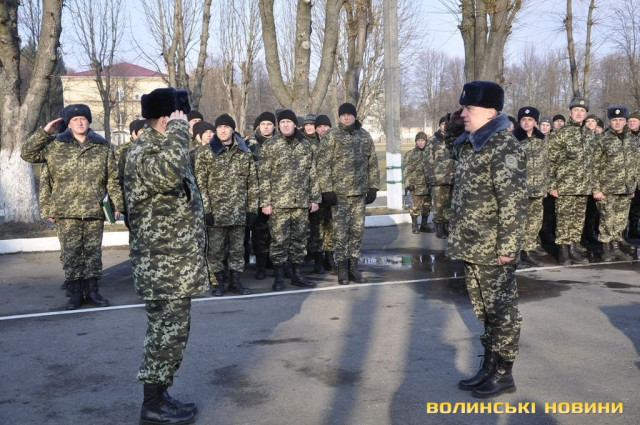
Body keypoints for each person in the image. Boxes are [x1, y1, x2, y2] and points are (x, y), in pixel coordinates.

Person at [124, 87, 207, 425]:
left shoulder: (163, 147)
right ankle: (152, 405)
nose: (186, 124)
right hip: (162, 264)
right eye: (180, 118)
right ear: (164, 119)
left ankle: (161, 396)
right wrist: (177, 131)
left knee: (172, 334)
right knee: (165, 335)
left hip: (175, 262)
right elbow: (168, 175)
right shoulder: (145, 150)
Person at [446, 81, 527, 398]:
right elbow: (453, 150)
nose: (464, 113)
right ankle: (490, 367)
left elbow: (513, 203)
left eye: (469, 109)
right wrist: (456, 126)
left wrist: (508, 248)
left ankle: (504, 373)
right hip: (472, 244)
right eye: (463, 108)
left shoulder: (504, 147)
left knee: (503, 313)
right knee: (485, 312)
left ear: (491, 112)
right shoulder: (472, 142)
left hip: (493, 248)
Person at [22, 104, 123, 310]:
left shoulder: (102, 146)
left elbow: (112, 179)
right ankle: (75, 292)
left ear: (89, 121)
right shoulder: (55, 145)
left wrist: (117, 204)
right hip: (65, 210)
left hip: (94, 209)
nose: (79, 122)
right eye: (75, 119)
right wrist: (44, 132)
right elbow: (27, 154)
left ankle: (92, 290)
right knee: (71, 253)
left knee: (93, 252)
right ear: (68, 124)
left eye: (83, 118)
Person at [194, 113, 258, 295]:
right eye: (219, 127)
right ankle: (218, 283)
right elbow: (200, 184)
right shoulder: (205, 153)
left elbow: (252, 183)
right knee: (215, 251)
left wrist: (252, 210)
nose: (223, 130)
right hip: (216, 213)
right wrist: (206, 210)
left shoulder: (244, 153)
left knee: (238, 250)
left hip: (238, 211)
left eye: (226, 127)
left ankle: (235, 281)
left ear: (232, 129)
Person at [318, 102, 380, 285]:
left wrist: (373, 187)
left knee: (357, 232)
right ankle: (342, 269)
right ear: (339, 117)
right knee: (340, 233)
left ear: (354, 116)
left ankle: (353, 267)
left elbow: (372, 163)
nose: (346, 117)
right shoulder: (332, 135)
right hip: (339, 195)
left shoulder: (364, 136)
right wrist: (327, 189)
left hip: (359, 194)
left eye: (349, 114)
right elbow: (323, 164)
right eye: (343, 115)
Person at [259, 109, 321, 291]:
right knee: (279, 240)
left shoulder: (305, 146)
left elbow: (312, 173)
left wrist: (314, 198)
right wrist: (266, 202)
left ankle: (297, 274)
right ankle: (279, 276)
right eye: (282, 122)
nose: (286, 125)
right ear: (278, 125)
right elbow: (264, 176)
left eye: (289, 122)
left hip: (301, 202)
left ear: (295, 124)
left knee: (299, 240)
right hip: (279, 203)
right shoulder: (270, 146)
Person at [547, 97, 596, 265]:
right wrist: (552, 185)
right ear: (570, 113)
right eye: (576, 110)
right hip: (565, 185)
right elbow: (550, 160)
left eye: (582, 111)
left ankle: (573, 249)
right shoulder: (561, 133)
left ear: (586, 114)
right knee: (563, 219)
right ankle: (563, 251)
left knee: (578, 219)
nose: (579, 113)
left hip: (583, 186)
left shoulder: (589, 135)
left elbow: (593, 162)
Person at [592, 106, 636, 262]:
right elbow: (594, 166)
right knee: (607, 219)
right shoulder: (602, 139)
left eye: (621, 120)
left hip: (625, 188)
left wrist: (633, 186)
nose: (617, 123)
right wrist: (596, 189)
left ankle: (616, 248)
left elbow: (634, 164)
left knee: (620, 220)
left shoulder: (631, 139)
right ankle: (606, 249)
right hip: (607, 188)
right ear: (609, 121)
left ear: (625, 121)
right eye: (614, 120)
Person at [513, 106, 547, 267]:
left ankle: (527, 251)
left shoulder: (542, 140)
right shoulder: (513, 140)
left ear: (535, 122)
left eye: (530, 120)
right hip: (520, 190)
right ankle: (516, 254)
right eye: (523, 120)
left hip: (538, 189)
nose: (526, 122)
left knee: (534, 223)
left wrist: (545, 186)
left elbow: (546, 164)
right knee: (519, 223)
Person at [246, 111, 277, 280]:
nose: (266, 127)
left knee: (277, 231)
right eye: (263, 124)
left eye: (269, 124)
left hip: (278, 194)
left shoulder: (280, 142)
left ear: (274, 126)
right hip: (257, 195)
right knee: (259, 233)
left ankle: (275, 263)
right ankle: (261, 265)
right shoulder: (249, 144)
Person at [315, 114, 338, 272]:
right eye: (320, 126)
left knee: (331, 227)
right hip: (316, 193)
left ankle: (329, 258)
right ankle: (317, 259)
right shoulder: (310, 145)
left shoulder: (336, 144)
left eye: (325, 126)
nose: (323, 129)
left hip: (332, 192)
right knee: (317, 228)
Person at [426, 117, 454, 239]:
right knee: (438, 204)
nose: (445, 126)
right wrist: (430, 178)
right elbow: (427, 160)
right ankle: (438, 226)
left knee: (448, 204)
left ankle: (446, 225)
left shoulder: (452, 139)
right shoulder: (433, 140)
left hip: (451, 177)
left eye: (447, 124)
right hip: (437, 179)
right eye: (442, 124)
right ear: (439, 125)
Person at [403, 131, 433, 234]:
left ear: (426, 141)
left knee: (427, 206)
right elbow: (406, 170)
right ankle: (414, 225)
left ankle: (424, 225)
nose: (420, 142)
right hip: (416, 185)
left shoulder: (430, 154)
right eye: (418, 140)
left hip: (428, 185)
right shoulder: (410, 154)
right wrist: (408, 184)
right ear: (416, 142)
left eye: (422, 140)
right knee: (415, 207)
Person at [626, 110, 640, 240]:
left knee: (637, 206)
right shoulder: (624, 135)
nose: (631, 123)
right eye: (629, 121)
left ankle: (634, 228)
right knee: (626, 206)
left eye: (634, 121)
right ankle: (624, 231)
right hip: (628, 177)